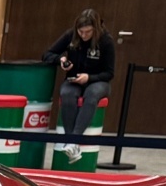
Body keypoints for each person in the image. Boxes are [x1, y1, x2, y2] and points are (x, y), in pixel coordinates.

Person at [45, 9, 114, 155]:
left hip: (98, 80)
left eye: (88, 32)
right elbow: (47, 54)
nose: (84, 35)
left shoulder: (106, 41)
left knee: (92, 94)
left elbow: (109, 73)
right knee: (67, 93)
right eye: (81, 31)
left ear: (95, 29)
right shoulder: (71, 35)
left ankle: (73, 140)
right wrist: (61, 60)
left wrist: (89, 78)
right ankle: (71, 143)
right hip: (74, 79)